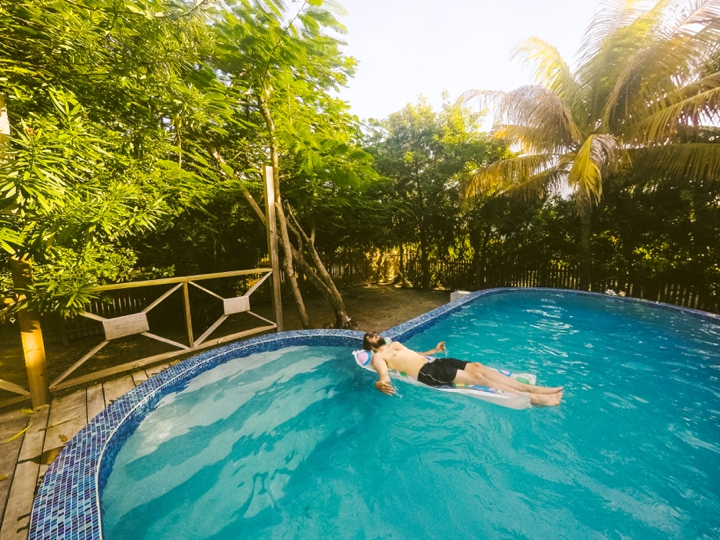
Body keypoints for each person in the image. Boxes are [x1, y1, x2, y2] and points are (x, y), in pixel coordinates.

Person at [362, 332, 563, 407]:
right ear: (370, 346)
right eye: (369, 336)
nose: (372, 333)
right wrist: (380, 383)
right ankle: (534, 397)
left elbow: (417, 354)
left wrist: (435, 350)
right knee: (479, 379)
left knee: (478, 367)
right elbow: (384, 375)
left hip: (434, 363)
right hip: (428, 373)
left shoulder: (395, 344)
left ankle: (532, 388)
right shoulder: (379, 357)